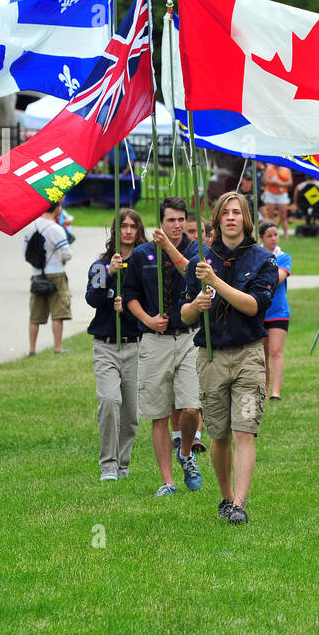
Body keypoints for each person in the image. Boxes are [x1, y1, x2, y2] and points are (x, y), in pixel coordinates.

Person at [182, 191, 280, 525]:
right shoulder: (201, 260)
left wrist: (216, 282)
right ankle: (225, 497)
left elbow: (253, 306)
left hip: (248, 355)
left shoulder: (263, 260)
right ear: (217, 219)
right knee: (219, 434)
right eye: (225, 212)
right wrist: (196, 305)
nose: (231, 217)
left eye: (237, 212)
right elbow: (183, 315)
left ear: (246, 218)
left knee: (244, 430)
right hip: (211, 356)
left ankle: (239, 503)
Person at [123, 196, 204, 496]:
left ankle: (185, 453)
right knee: (158, 413)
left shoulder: (195, 250)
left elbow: (192, 276)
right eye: (171, 219)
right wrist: (148, 319)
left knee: (191, 406)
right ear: (162, 221)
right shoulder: (143, 254)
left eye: (182, 219)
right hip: (154, 340)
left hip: (187, 337)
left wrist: (169, 247)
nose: (178, 225)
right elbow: (130, 295)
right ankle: (167, 481)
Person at [87, 208, 147, 482]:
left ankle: (124, 462)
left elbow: (152, 302)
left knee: (131, 412)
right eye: (123, 226)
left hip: (135, 345)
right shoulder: (101, 265)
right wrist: (111, 275)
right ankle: (108, 463)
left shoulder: (146, 264)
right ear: (116, 231)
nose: (128, 231)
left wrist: (132, 307)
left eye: (133, 226)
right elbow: (93, 298)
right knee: (109, 401)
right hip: (106, 346)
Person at [24, 201, 73, 355]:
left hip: (36, 273)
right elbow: (67, 254)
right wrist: (62, 260)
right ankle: (58, 347)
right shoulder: (56, 229)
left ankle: (32, 349)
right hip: (56, 273)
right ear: (57, 208)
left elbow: (26, 252)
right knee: (58, 313)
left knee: (35, 314)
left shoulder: (31, 227)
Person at [259, 221, 291, 399]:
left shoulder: (284, 257)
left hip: (279, 311)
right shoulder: (256, 256)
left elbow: (277, 279)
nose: (274, 239)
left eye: (276, 235)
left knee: (275, 351)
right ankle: (263, 388)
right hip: (260, 311)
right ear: (261, 238)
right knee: (261, 355)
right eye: (269, 235)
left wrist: (260, 276)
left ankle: (276, 392)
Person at [261, 163, 293, 234]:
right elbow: (265, 181)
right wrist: (273, 182)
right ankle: (270, 233)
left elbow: (290, 183)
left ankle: (286, 235)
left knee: (284, 216)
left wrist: (280, 183)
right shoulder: (269, 168)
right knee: (270, 215)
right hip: (271, 193)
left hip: (282, 194)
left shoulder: (286, 169)